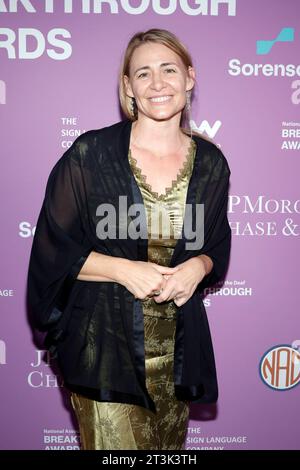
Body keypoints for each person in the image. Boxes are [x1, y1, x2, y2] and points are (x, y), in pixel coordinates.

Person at [27, 28, 231, 450]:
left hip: (176, 357)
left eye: (168, 69)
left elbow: (216, 244)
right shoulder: (90, 155)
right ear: (128, 87)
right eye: (143, 73)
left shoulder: (211, 163)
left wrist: (199, 266)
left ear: (189, 78)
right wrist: (123, 270)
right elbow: (52, 251)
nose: (157, 83)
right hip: (104, 351)